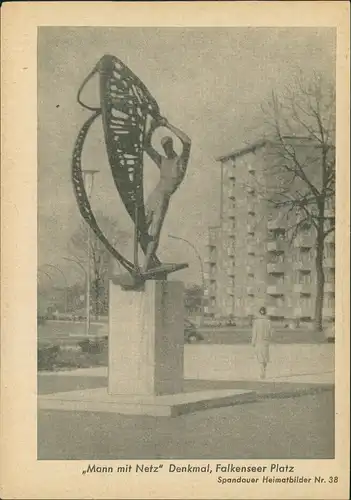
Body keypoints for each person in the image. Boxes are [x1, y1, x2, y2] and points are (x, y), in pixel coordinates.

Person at [142, 116, 191, 273]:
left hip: (163, 198)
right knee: (142, 229)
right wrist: (152, 128)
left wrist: (167, 124)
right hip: (154, 196)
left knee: (155, 231)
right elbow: (146, 145)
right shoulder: (162, 161)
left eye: (168, 145)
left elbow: (187, 141)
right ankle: (148, 261)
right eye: (164, 146)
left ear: (172, 145)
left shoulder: (180, 161)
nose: (166, 148)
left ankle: (146, 265)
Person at [251, 306, 272, 379]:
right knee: (265, 358)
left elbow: (254, 332)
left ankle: (262, 372)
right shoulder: (268, 321)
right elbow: (270, 333)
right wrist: (268, 339)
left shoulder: (256, 322)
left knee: (260, 358)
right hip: (265, 341)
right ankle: (264, 371)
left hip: (258, 341)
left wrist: (253, 342)